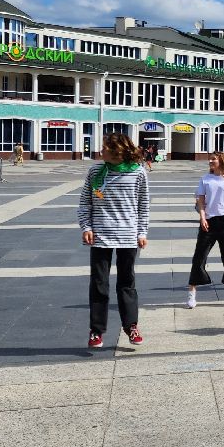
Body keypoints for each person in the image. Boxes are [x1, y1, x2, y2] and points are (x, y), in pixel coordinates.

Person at [78, 132, 149, 349]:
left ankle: (131, 326)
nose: (101, 150)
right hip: (100, 236)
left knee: (126, 283)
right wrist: (86, 227)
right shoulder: (96, 172)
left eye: (106, 147)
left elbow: (143, 205)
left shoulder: (138, 173)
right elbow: (85, 202)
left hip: (128, 235)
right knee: (99, 284)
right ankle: (96, 331)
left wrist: (142, 232)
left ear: (118, 150)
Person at [187, 151, 224, 308]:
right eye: (210, 159)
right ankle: (192, 293)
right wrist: (202, 217)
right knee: (199, 257)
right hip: (209, 222)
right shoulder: (205, 179)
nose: (210, 161)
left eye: (213, 159)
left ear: (222, 160)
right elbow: (200, 201)